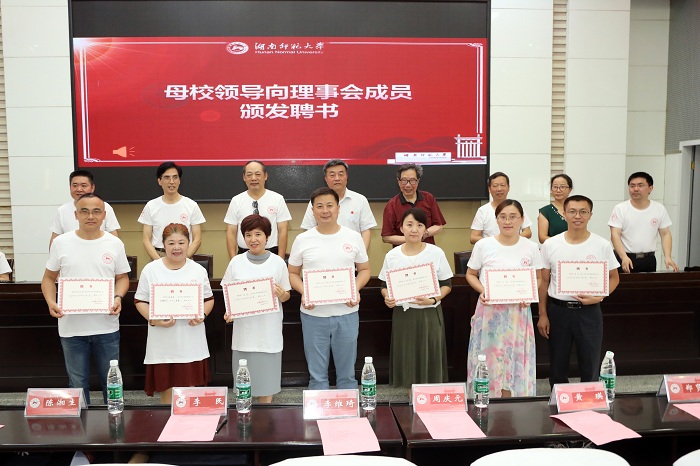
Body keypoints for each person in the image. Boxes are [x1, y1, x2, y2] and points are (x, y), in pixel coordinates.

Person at [41, 193, 130, 404]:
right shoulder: (61, 243)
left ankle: (115, 422)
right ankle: (82, 424)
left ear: (104, 215)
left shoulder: (114, 243)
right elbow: (48, 278)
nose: (91, 216)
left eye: (96, 211)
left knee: (112, 384)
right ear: (76, 215)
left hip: (106, 327)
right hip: (72, 328)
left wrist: (118, 297)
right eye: (85, 211)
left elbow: (123, 278)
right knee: (77, 384)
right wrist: (51, 302)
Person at [288, 187, 370, 390]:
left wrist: (355, 289)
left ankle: (348, 408)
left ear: (338, 208)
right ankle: (318, 408)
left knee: (347, 376)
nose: (325, 211)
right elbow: (292, 273)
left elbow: (365, 270)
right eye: (319, 206)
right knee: (317, 377)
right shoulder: (303, 240)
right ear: (313, 210)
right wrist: (305, 292)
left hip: (347, 313)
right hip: (313, 315)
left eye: (329, 205)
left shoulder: (353, 237)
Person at [538, 195, 620, 387]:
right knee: (557, 363)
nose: (577, 216)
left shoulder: (601, 245)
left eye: (583, 212)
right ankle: (559, 399)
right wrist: (542, 314)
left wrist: (599, 297)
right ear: (564, 214)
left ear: (590, 215)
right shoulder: (551, 244)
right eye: (572, 211)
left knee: (590, 362)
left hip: (589, 312)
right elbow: (544, 281)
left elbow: (614, 278)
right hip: (559, 311)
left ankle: (589, 399)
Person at [466, 199, 542, 397]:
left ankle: (515, 403)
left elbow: (539, 278)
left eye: (513, 217)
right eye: (503, 217)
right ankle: (485, 400)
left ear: (522, 219)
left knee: (515, 359)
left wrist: (530, 294)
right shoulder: (483, 245)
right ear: (497, 219)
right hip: (490, 312)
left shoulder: (531, 247)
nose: (508, 221)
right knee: (489, 359)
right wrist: (483, 290)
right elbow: (470, 274)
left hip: (518, 313)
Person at [133, 223, 214, 404]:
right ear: (163, 245)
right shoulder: (151, 269)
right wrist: (154, 320)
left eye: (181, 243)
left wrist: (202, 316)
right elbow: (140, 301)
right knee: (168, 391)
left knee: (190, 390)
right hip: (163, 342)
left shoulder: (198, 270)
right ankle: (168, 421)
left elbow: (208, 299)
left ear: (188, 243)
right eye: (171, 243)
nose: (176, 247)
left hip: (190, 340)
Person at [379, 208, 452, 389]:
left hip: (430, 314)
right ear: (401, 228)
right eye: (409, 225)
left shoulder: (436, 252)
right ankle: (410, 397)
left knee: (430, 356)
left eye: (419, 225)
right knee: (408, 357)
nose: (414, 230)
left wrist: (433, 300)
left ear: (425, 230)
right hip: (404, 315)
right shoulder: (392, 255)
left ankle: (430, 397)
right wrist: (387, 297)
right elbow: (384, 286)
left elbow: (447, 284)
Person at [222, 215, 291, 403]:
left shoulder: (278, 262)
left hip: (268, 334)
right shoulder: (236, 262)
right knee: (245, 387)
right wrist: (229, 311)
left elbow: (287, 296)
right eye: (248, 235)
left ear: (267, 237)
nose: (253, 239)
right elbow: (228, 294)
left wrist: (281, 294)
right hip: (244, 335)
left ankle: (265, 417)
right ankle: (246, 418)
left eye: (258, 234)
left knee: (266, 386)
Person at [608, 172, 678, 273]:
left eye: (640, 185)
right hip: (625, 258)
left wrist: (668, 256)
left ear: (650, 188)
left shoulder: (659, 209)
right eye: (632, 186)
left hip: (648, 259)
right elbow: (614, 235)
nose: (636, 189)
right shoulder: (620, 209)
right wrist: (623, 257)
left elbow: (665, 234)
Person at [300, 159, 377, 251]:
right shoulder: (317, 201)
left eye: (341, 174)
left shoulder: (360, 200)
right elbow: (309, 230)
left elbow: (366, 231)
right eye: (332, 175)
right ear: (326, 179)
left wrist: (361, 255)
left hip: (352, 253)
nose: (337, 178)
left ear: (346, 177)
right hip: (323, 252)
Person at [138, 162, 206, 261]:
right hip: (158, 256)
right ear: (159, 181)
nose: (171, 182)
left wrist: (184, 258)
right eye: (167, 178)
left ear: (179, 181)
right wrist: (159, 262)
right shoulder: (151, 206)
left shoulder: (191, 205)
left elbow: (197, 239)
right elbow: (146, 240)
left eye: (175, 177)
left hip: (184, 256)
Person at [225, 160, 292, 259]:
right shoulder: (236, 200)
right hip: (243, 254)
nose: (253, 178)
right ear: (244, 177)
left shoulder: (277, 199)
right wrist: (233, 260)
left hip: (272, 254)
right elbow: (231, 232)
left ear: (265, 176)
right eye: (249, 175)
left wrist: (280, 259)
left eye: (258, 174)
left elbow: (283, 231)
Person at [49, 170, 120, 249]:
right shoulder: (62, 210)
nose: (79, 189)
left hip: (99, 251)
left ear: (92, 188)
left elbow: (113, 235)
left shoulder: (105, 207)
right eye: (75, 185)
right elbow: (54, 240)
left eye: (83, 185)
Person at [382, 163, 446, 246]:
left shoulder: (428, 198)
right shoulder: (392, 205)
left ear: (418, 181)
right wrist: (411, 238)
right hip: (403, 251)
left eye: (412, 180)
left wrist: (424, 234)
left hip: (427, 249)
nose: (408, 185)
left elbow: (439, 226)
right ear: (399, 182)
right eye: (404, 180)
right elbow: (386, 237)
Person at [470, 172, 533, 244]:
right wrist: (496, 243)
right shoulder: (483, 210)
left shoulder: (516, 208)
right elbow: (473, 237)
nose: (499, 189)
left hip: (513, 247)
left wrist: (512, 240)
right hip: (491, 248)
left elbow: (528, 232)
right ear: (489, 189)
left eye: (502, 185)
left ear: (508, 188)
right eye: (495, 186)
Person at [538, 174, 573, 243]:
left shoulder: (576, 209)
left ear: (570, 189)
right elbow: (542, 238)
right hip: (554, 248)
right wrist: (564, 243)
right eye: (555, 187)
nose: (558, 190)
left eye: (562, 187)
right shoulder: (546, 211)